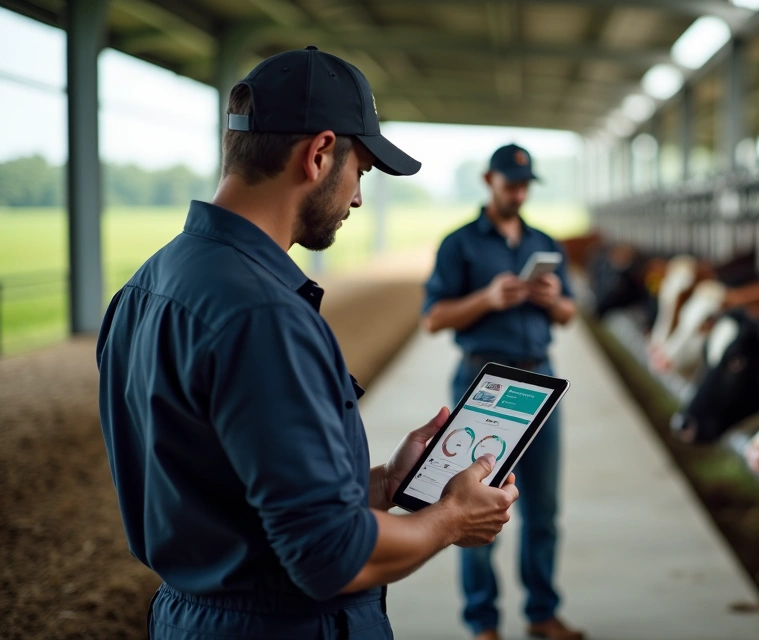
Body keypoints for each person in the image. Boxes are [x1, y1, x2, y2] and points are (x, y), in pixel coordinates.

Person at [96, 46, 518, 640]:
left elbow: (233, 496)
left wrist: (386, 484)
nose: (358, 198)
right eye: (362, 173)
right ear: (319, 154)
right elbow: (330, 556)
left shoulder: (145, 287)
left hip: (189, 619)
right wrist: (452, 519)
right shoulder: (263, 315)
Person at [422, 144, 583, 640]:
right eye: (510, 182)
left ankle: (541, 613)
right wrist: (487, 298)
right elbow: (434, 318)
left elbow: (571, 315)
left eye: (525, 183)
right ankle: (483, 623)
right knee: (474, 504)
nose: (519, 191)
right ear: (488, 180)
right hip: (483, 381)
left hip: (539, 380)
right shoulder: (459, 244)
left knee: (544, 509)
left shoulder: (544, 241)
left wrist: (555, 301)